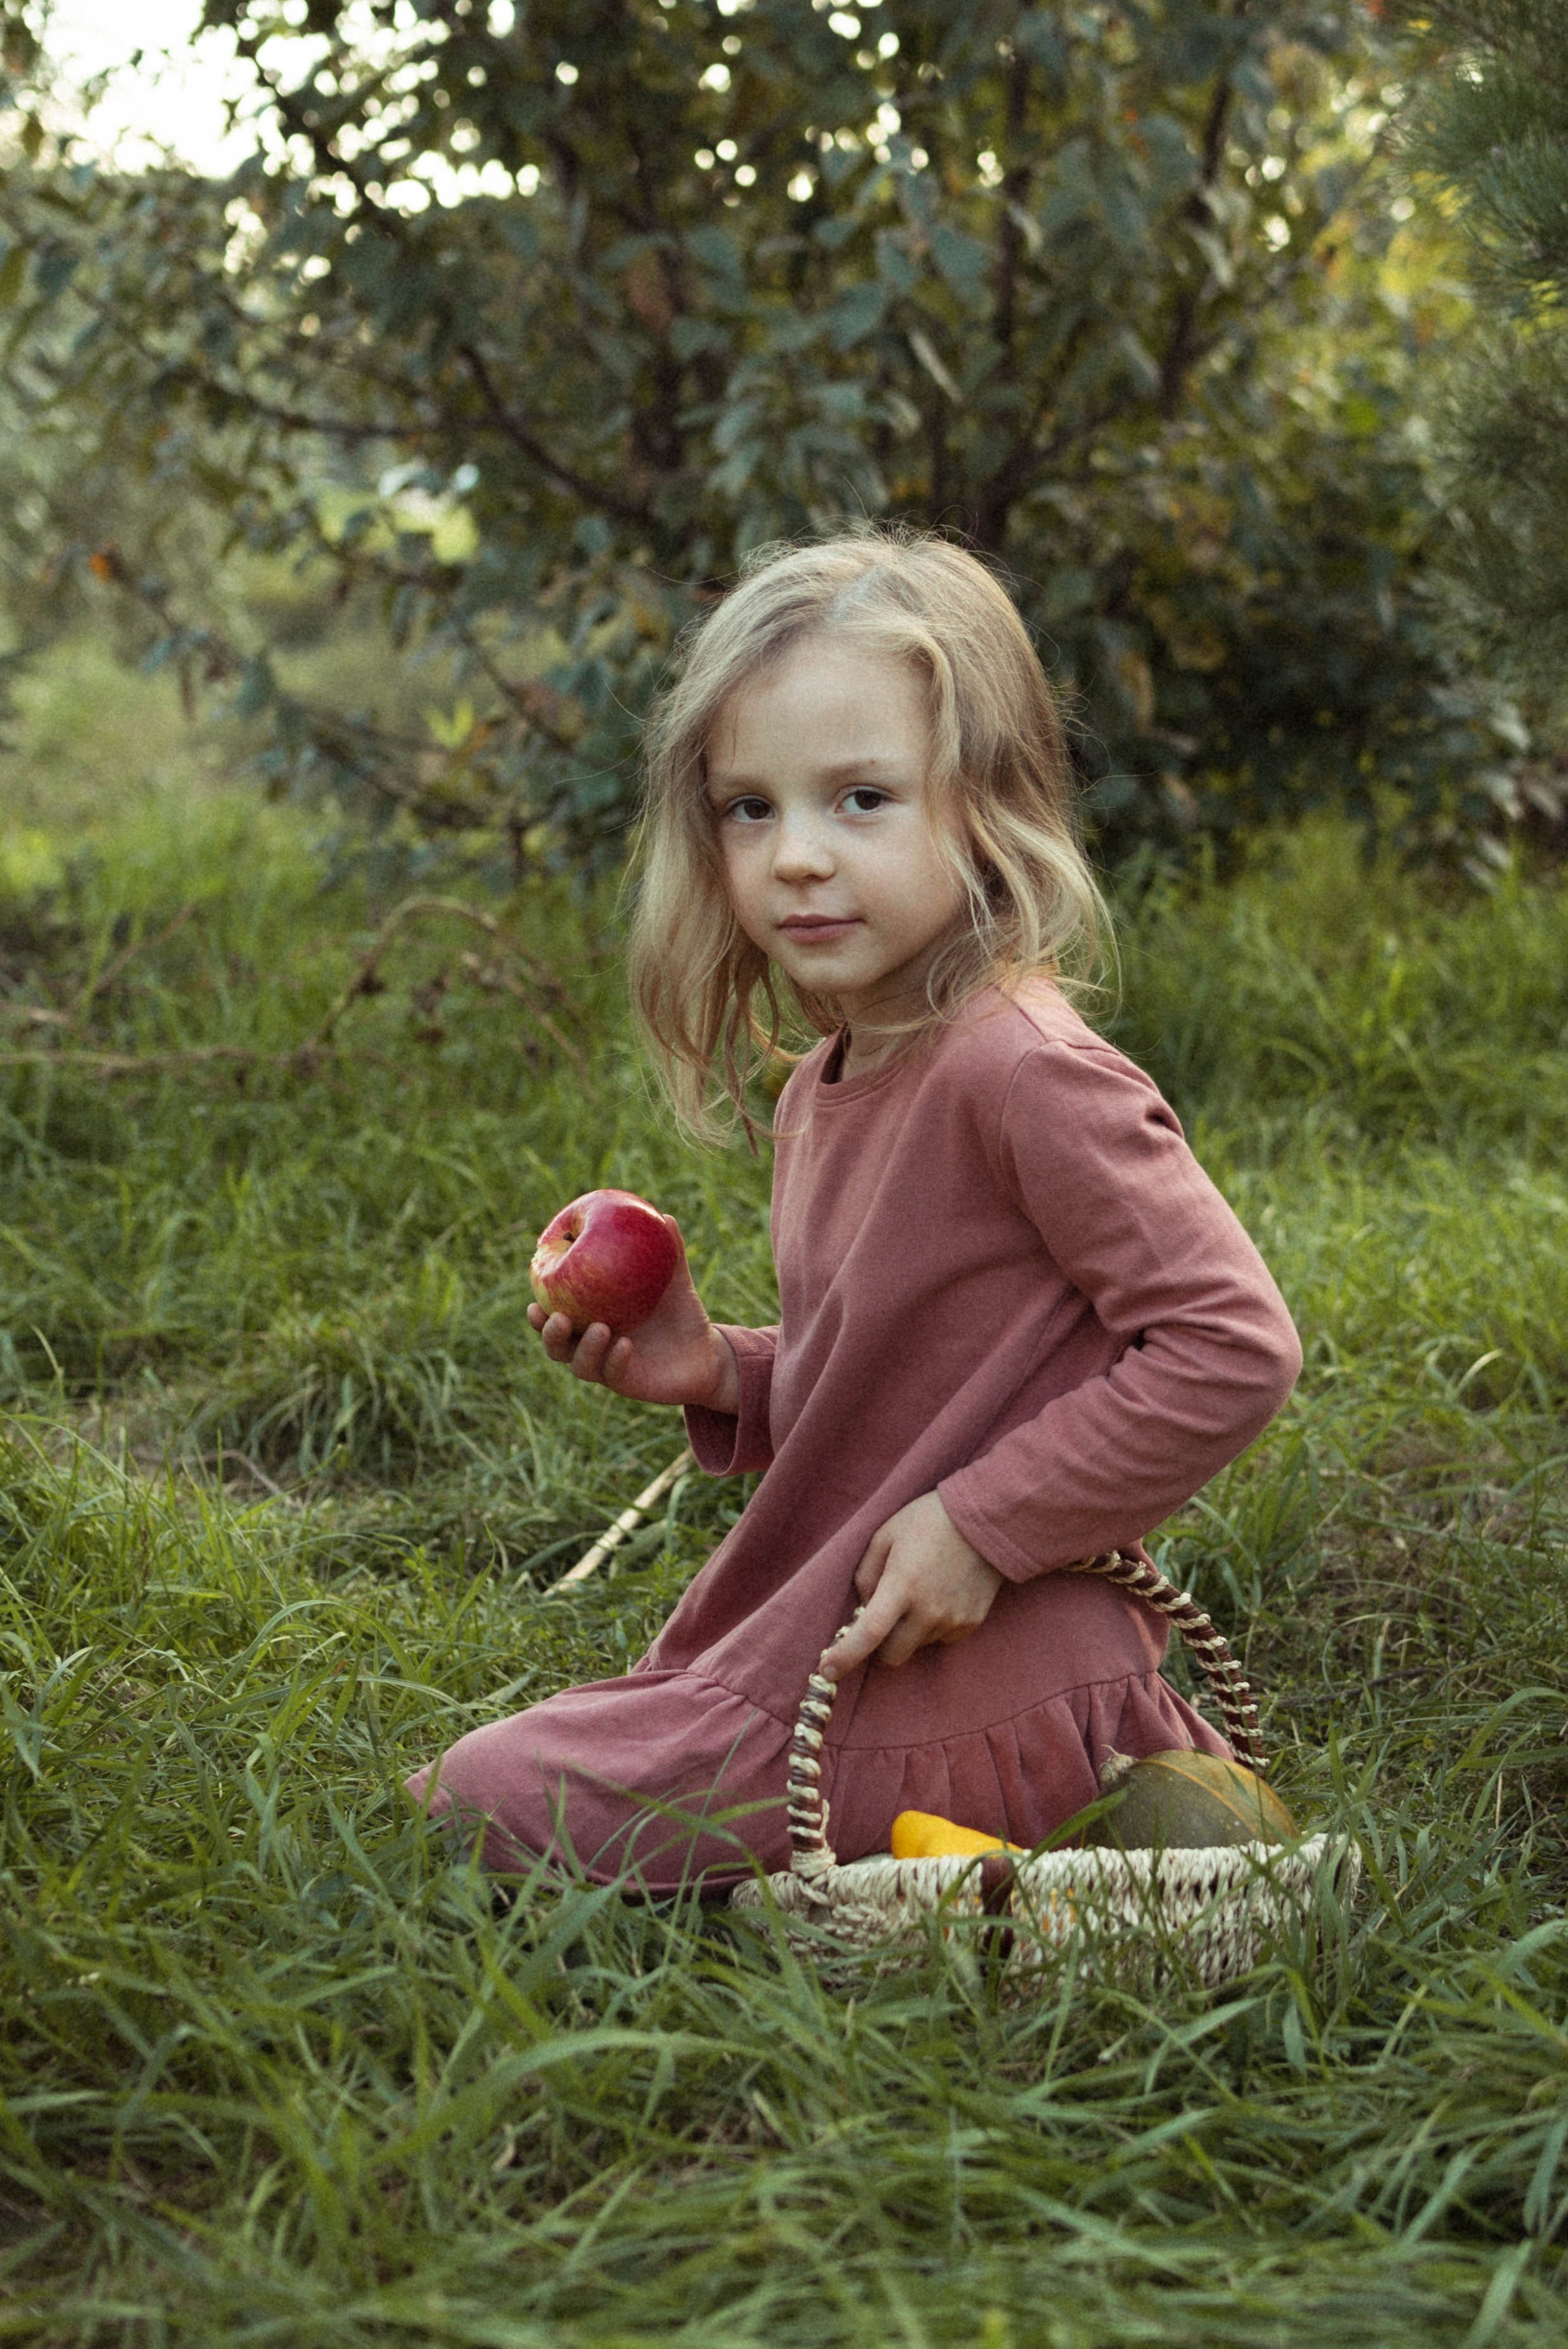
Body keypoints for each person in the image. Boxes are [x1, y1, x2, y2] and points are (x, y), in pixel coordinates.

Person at [405, 530, 1301, 1888]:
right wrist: (723, 1372)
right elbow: (911, 1386)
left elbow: (1231, 1345)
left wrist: (982, 1527)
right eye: (748, 809)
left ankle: (1017, 1799)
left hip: (979, 1665)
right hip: (862, 1638)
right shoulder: (830, 1079)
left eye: (861, 799)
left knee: (484, 1798)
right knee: (519, 1769)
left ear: (984, 805)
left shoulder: (1022, 1073)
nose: (796, 859)